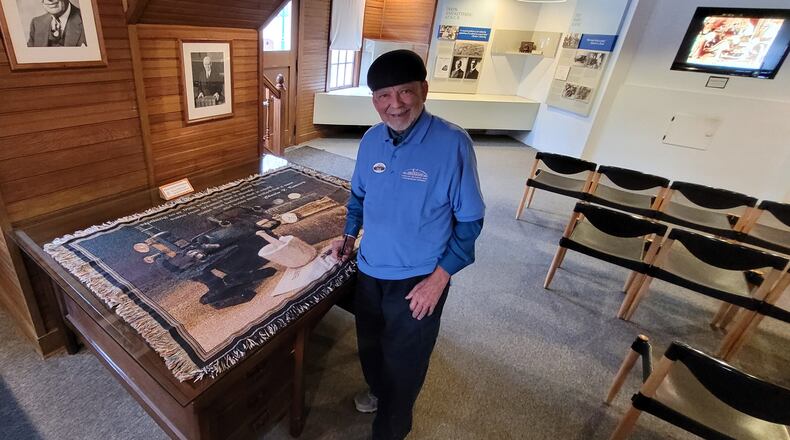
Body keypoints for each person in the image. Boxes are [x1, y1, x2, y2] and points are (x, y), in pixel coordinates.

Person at [330, 49, 485, 440]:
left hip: (418, 279)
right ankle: (379, 393)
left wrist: (439, 280)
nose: (394, 104)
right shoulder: (370, 140)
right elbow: (359, 196)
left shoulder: (453, 144)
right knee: (370, 346)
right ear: (374, 100)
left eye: (405, 92)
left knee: (405, 364)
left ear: (424, 91)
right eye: (384, 95)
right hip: (369, 269)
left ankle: (391, 429)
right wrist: (349, 236)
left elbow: (470, 222)